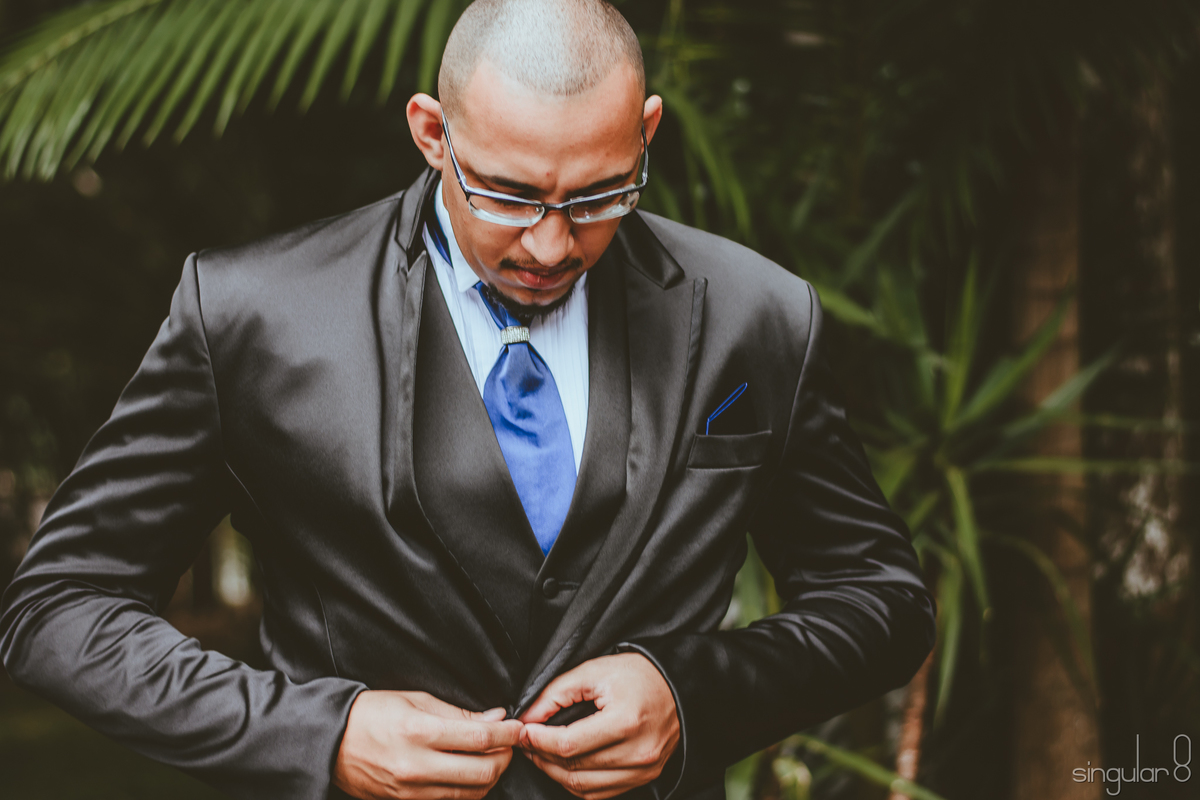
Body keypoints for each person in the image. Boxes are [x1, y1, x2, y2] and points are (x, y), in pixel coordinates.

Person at [0, 2, 936, 800]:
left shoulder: (756, 316)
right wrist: (320, 734)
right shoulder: (252, 314)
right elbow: (58, 607)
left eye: (601, 195)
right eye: (506, 193)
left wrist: (693, 693)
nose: (550, 245)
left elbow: (883, 600)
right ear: (431, 132)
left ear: (646, 131)